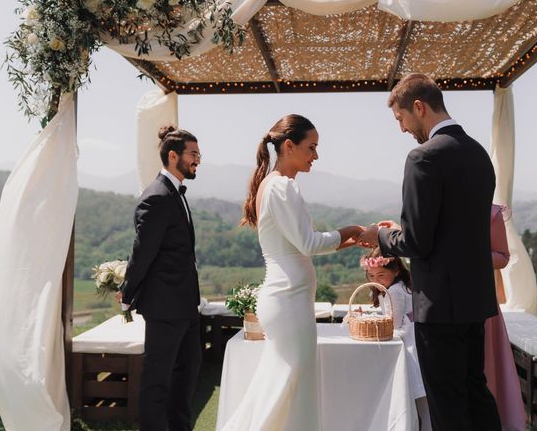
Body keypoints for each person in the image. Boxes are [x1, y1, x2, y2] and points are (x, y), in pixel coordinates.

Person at [357, 73, 501, 430]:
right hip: (474, 300)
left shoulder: (423, 158)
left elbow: (418, 243)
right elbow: (454, 230)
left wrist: (382, 235)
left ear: (418, 107)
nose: (403, 129)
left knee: (447, 405)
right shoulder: (479, 153)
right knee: (476, 392)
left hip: (439, 305)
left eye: (401, 119)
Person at [222, 114, 363, 431]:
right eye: (311, 147)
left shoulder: (274, 186)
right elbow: (309, 243)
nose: (316, 156)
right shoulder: (282, 187)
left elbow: (301, 244)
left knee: (285, 386)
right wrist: (351, 230)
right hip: (287, 301)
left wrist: (348, 241)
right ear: (289, 146)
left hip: (289, 300)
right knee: (287, 387)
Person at [118, 126, 202, 431]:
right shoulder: (156, 197)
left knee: (186, 376)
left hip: (186, 305)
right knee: (157, 381)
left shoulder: (175, 193)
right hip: (165, 307)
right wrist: (128, 293)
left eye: (198, 154)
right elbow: (143, 252)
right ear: (172, 155)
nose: (198, 160)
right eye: (193, 154)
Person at [362, 248, 431, 431]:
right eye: (371, 275)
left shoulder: (395, 291)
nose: (376, 280)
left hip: (411, 347)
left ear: (396, 271)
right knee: (424, 404)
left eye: (381, 274)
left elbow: (394, 327)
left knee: (422, 403)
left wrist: (373, 323)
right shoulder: (394, 288)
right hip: (416, 342)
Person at [484, 205, 527, 431]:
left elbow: (502, 257)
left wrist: (466, 252)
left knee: (484, 367)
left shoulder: (491, 213)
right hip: (441, 303)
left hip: (479, 301)